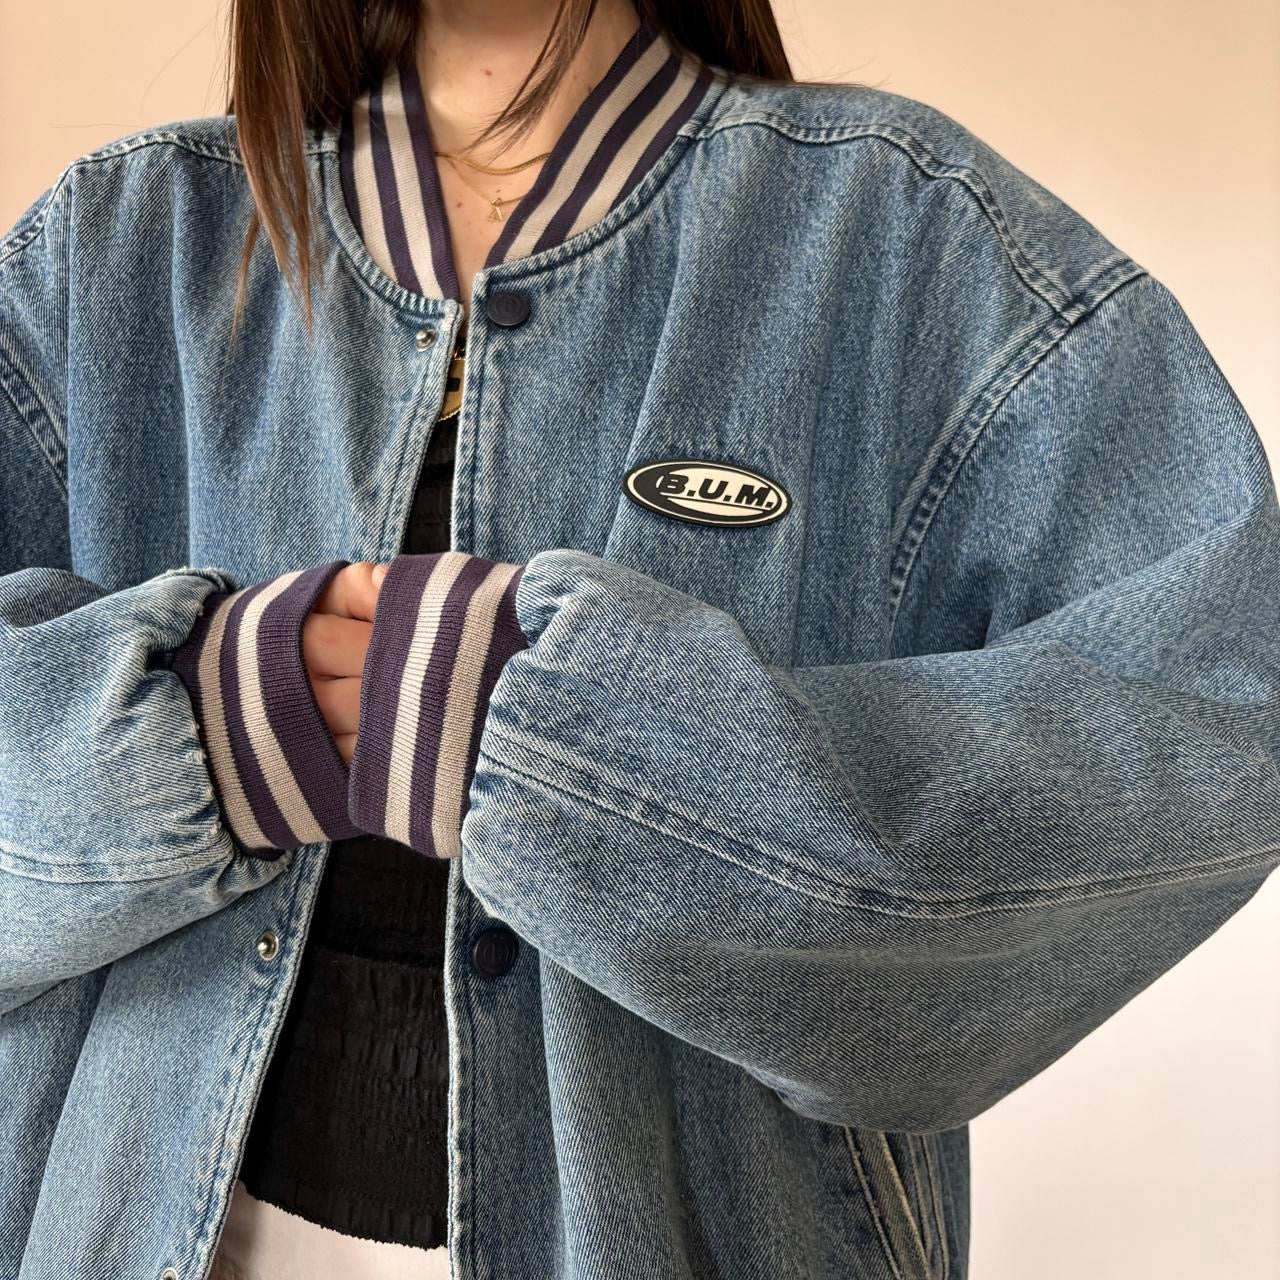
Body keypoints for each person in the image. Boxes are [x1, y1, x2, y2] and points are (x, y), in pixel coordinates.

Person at [2, 0, 1277, 1277]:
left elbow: (1224, 711)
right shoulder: (118, 246)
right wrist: (187, 732)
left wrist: (595, 763)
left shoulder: (906, 235)